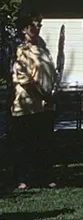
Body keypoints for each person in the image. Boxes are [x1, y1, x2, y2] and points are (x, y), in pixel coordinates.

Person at [10, 14, 60, 189]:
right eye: (34, 25)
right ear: (25, 29)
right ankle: (21, 178)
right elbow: (24, 79)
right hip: (27, 104)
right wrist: (43, 94)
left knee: (43, 143)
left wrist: (53, 92)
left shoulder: (43, 51)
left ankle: (44, 176)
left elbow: (53, 74)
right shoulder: (21, 51)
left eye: (39, 25)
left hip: (45, 106)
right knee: (24, 144)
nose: (38, 28)